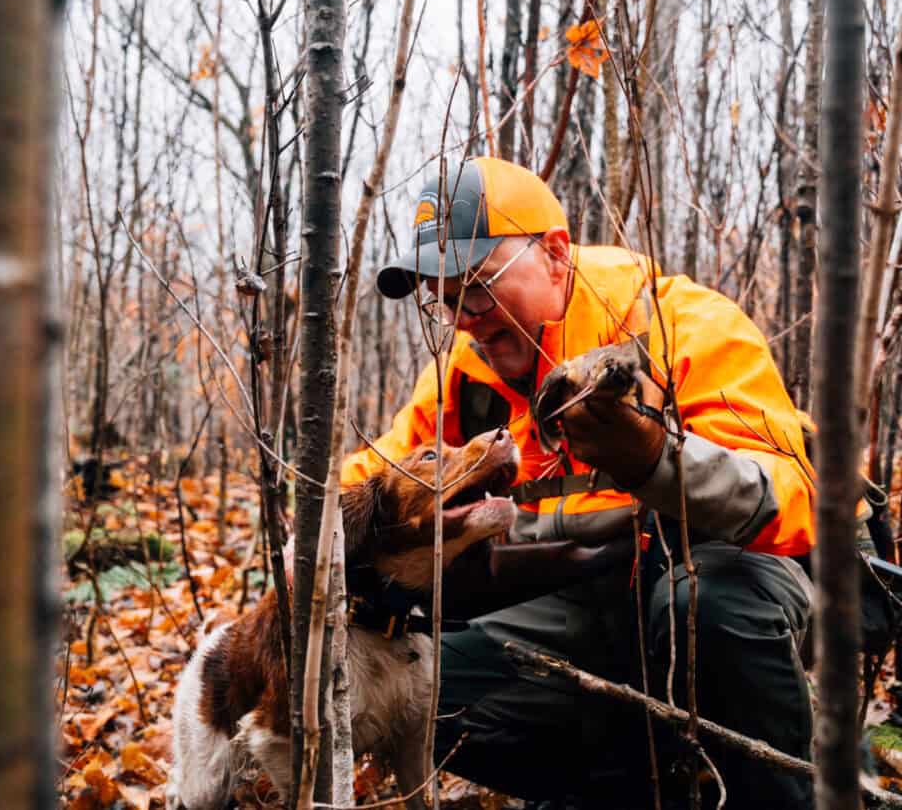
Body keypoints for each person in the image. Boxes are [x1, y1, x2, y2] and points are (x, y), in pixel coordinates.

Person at [341, 157, 815, 809]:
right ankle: (632, 792)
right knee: (421, 690)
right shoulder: (461, 370)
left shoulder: (681, 323)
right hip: (584, 600)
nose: (465, 317)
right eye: (443, 299)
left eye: (477, 286)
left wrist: (657, 461)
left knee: (704, 608)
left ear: (556, 253)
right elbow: (377, 478)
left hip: (719, 585)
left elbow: (790, 501)